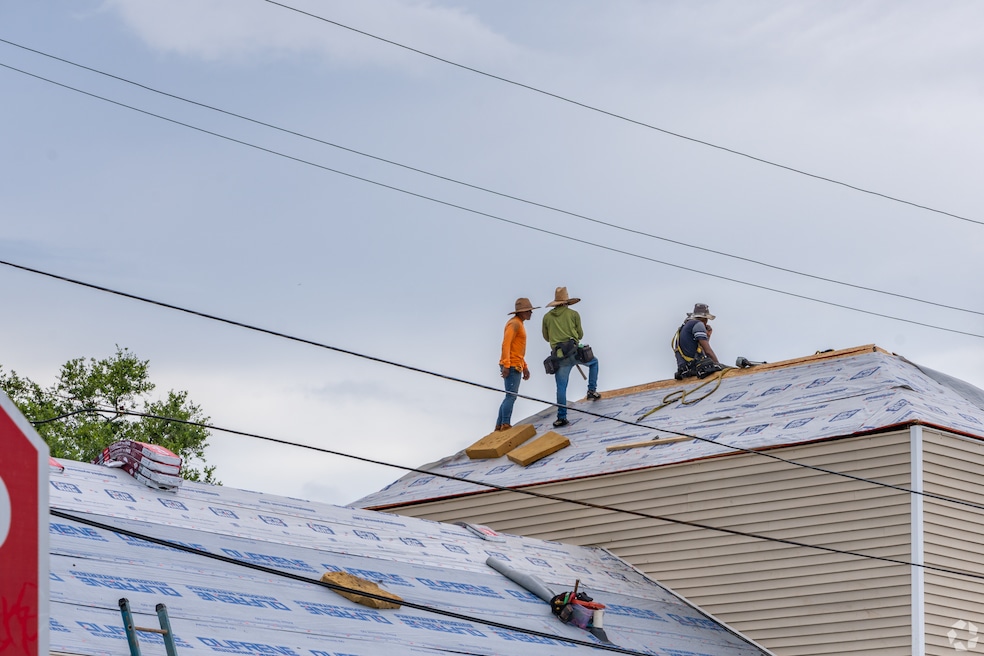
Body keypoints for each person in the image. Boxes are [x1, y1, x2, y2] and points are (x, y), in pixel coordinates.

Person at [541, 287, 600, 428]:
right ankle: (591, 391)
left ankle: (561, 417)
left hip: (559, 357)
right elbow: (579, 335)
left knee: (561, 387)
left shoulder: (547, 317)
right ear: (566, 301)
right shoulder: (573, 314)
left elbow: (546, 337)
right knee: (594, 362)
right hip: (574, 352)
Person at [496, 297, 539, 431]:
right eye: (528, 311)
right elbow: (506, 344)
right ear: (521, 312)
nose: (530, 313)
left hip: (516, 363)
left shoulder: (519, 324)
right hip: (512, 365)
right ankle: (505, 424)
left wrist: (525, 367)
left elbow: (517, 350)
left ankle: (499, 425)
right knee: (511, 396)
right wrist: (506, 365)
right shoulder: (514, 324)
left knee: (510, 396)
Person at [672, 302, 722, 380]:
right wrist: (719, 366)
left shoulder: (685, 327)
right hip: (695, 368)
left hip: (685, 370)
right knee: (728, 369)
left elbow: (696, 349)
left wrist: (707, 336)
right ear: (705, 319)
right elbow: (708, 352)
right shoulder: (698, 324)